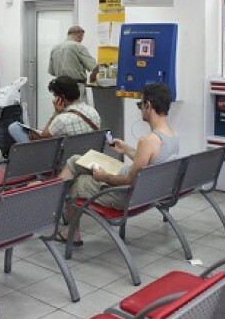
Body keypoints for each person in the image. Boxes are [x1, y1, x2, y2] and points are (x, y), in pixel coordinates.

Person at [56, 82, 178, 245]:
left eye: (139, 105)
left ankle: (71, 230)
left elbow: (129, 181)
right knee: (75, 160)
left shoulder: (147, 141)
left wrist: (103, 177)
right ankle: (54, 201)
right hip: (148, 192)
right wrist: (127, 150)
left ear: (148, 105)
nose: (140, 109)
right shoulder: (171, 135)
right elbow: (150, 161)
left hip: (125, 195)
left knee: (78, 183)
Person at [7, 76, 101, 143]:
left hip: (64, 159)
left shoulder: (62, 120)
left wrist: (56, 113)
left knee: (14, 127)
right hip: (88, 156)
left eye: (55, 96)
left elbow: (43, 136)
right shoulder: (93, 112)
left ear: (61, 98)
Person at [48, 26, 99, 101]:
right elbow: (94, 67)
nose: (81, 40)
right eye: (82, 37)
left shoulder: (55, 48)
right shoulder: (78, 46)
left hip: (59, 86)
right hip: (75, 86)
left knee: (63, 109)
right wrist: (93, 76)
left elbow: (52, 71)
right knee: (78, 110)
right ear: (79, 34)